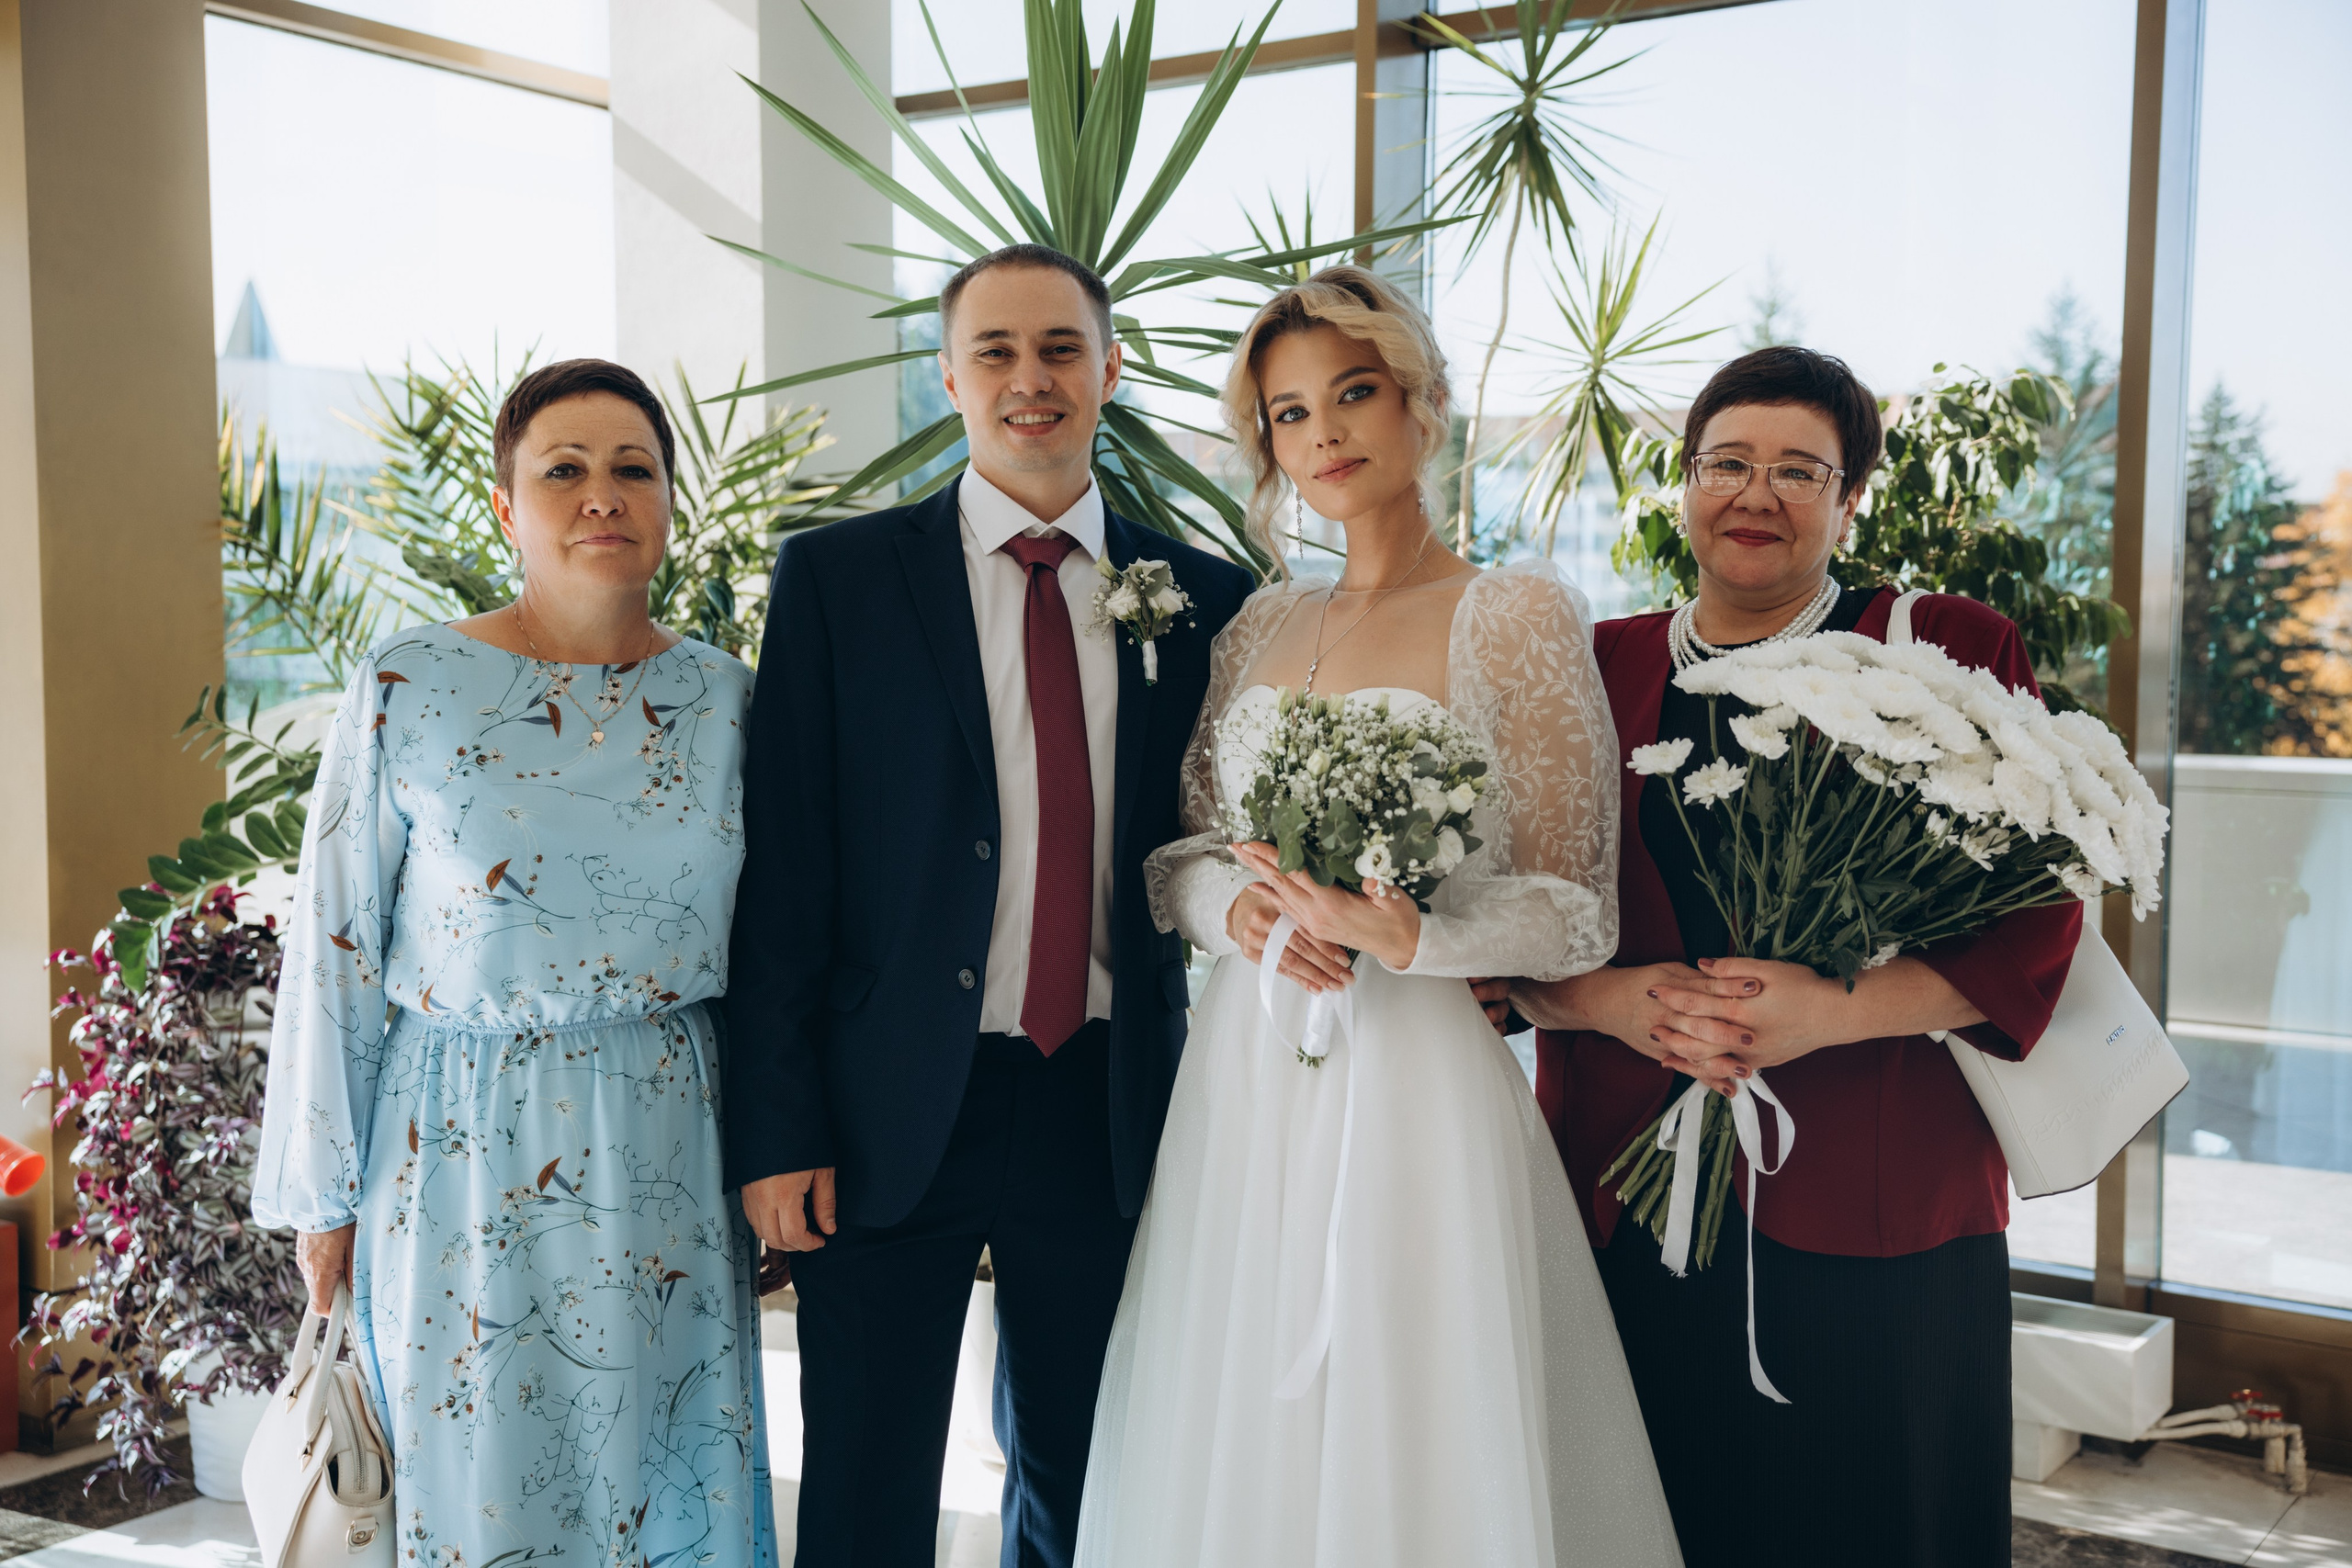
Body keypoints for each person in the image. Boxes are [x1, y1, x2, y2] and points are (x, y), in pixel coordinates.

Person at [1073, 266, 1683, 1568]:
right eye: (1291, 413)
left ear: (1424, 405)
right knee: (1246, 1398)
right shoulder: (1255, 625)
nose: (1327, 433)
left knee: (1412, 1391)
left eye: (1355, 393)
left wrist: (1414, 938)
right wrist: (1238, 908)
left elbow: (1580, 913)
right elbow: (1176, 851)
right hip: (1248, 1078)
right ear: (1268, 445)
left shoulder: (1514, 614)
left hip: (1417, 1080)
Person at [724, 243, 1253, 1568]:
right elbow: (783, 870)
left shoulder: (1207, 600)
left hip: (1107, 1096)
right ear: (950, 374)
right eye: (1000, 352)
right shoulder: (838, 582)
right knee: (863, 1477)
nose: (1033, 380)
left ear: (1110, 371)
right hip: (887, 1096)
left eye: (1063, 349)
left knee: (1084, 1475)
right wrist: (778, 1127)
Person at [1515, 345, 2082, 1568]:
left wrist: (1842, 1011)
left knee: (1877, 1519)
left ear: (1852, 497)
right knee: (1650, 1514)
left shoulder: (1945, 652)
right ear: (1684, 483)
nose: (1754, 495)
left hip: (1880, 1198)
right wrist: (1609, 1001)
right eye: (1727, 463)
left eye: (1796, 470)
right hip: (1628, 1191)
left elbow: (2042, 911)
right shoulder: (1592, 668)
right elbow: (1504, 918)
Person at [252, 359, 774, 1565]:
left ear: (668, 502)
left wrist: (777, 1156)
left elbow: (780, 951)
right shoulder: (409, 684)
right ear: (507, 507)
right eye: (566, 470)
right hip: (459, 1160)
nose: (603, 496)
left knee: (666, 1489)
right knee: (485, 1491)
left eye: (633, 469)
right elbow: (333, 943)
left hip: (672, 1152)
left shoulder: (732, 701)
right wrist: (323, 1203)